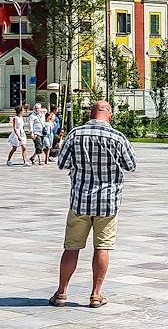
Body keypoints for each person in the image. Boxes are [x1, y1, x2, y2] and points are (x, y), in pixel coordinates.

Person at [50, 100, 137, 310]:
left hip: (80, 201)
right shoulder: (117, 137)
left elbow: (61, 163)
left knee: (71, 248)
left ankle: (61, 293)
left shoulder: (75, 134)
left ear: (91, 114)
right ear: (110, 114)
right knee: (102, 247)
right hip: (107, 203)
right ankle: (96, 295)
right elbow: (131, 165)